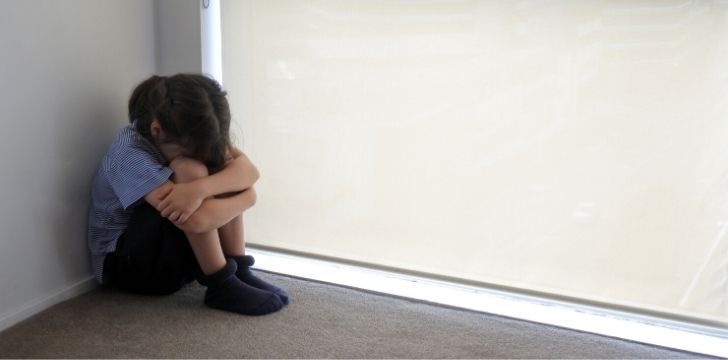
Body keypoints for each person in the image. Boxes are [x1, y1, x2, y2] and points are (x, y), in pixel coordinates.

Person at [87, 73, 288, 315]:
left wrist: (200, 189)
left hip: (172, 253)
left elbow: (248, 171)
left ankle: (239, 271)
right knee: (189, 168)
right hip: (128, 266)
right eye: (189, 150)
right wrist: (248, 198)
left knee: (218, 166)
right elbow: (194, 220)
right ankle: (221, 285)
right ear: (156, 130)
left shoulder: (186, 129)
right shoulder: (128, 155)